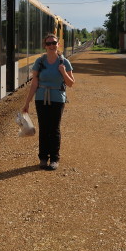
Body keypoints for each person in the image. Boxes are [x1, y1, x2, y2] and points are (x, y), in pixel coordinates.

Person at [22, 33, 75, 170]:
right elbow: (34, 83)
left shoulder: (64, 62)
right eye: (49, 43)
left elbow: (70, 83)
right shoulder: (39, 62)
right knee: (44, 128)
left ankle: (54, 159)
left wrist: (63, 72)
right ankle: (43, 158)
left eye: (54, 43)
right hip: (41, 98)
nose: (52, 45)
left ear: (58, 45)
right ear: (45, 46)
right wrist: (27, 102)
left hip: (57, 98)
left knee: (54, 129)